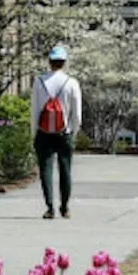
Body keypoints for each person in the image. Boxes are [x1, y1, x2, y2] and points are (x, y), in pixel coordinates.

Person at [32, 45, 82, 220]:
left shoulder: (39, 81)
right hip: (64, 132)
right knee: (65, 170)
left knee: (45, 170)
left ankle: (50, 207)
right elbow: (77, 114)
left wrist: (34, 132)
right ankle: (65, 207)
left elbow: (35, 111)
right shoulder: (72, 83)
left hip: (44, 132)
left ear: (50, 61)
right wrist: (73, 133)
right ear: (64, 62)